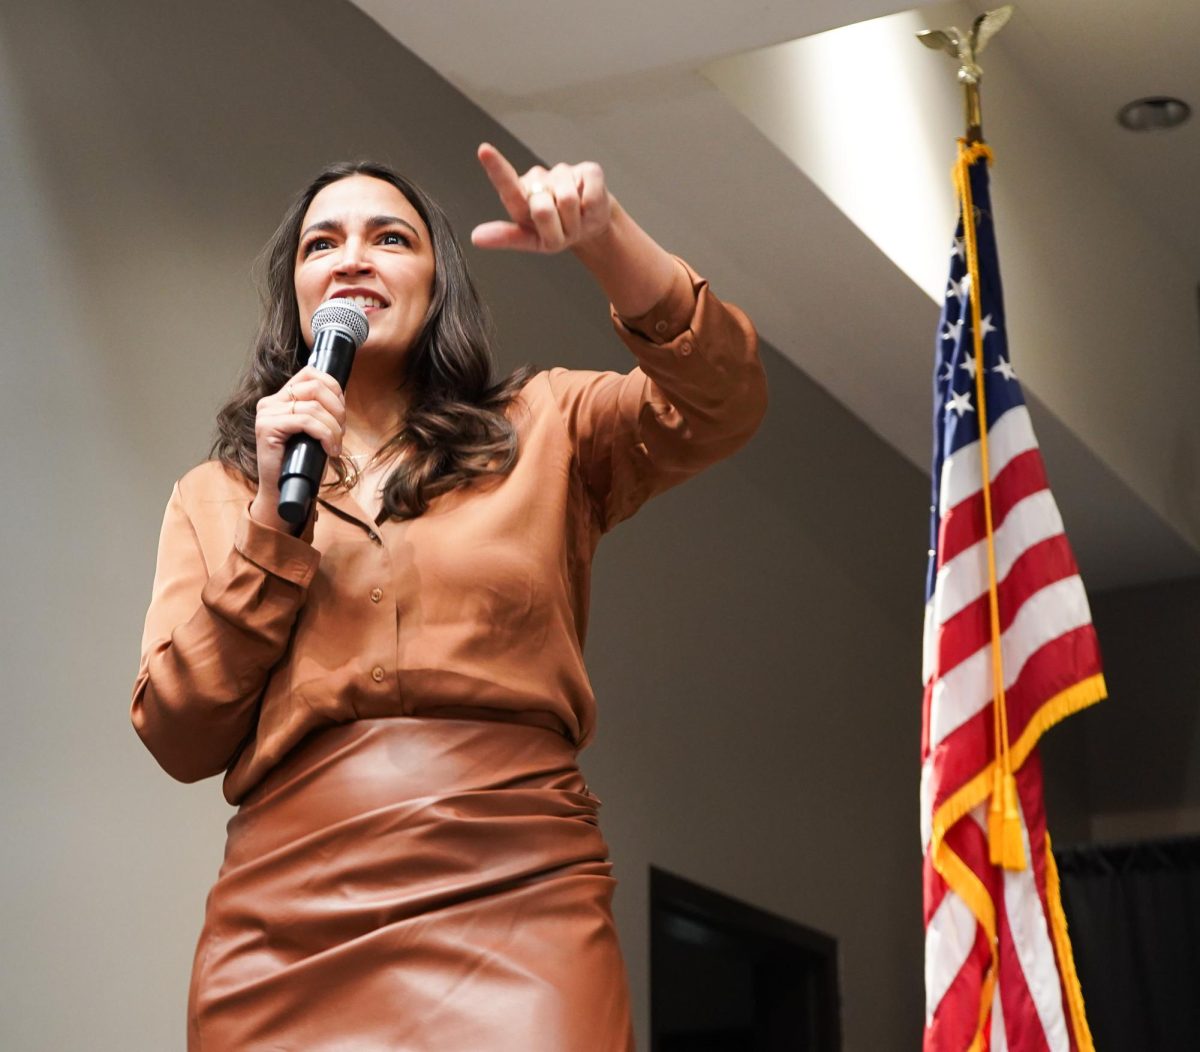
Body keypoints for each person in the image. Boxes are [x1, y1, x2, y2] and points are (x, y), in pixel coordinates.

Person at [131, 143, 767, 1051]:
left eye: (390, 237)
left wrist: (608, 240)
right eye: (323, 244)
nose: (353, 256)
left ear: (436, 285)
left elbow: (723, 402)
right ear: (297, 297)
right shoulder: (218, 493)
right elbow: (179, 731)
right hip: (286, 927)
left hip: (517, 891)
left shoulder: (549, 427)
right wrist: (274, 521)